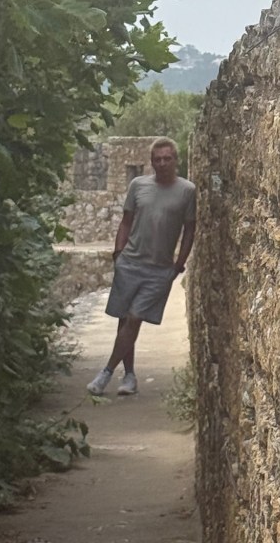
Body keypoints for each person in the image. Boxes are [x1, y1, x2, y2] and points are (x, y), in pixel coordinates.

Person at [86, 136, 196, 397]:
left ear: (176, 160)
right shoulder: (138, 185)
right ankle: (129, 376)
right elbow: (126, 221)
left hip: (159, 269)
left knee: (135, 317)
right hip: (130, 263)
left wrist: (179, 264)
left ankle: (106, 373)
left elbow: (190, 229)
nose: (162, 163)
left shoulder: (187, 191)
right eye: (158, 159)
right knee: (124, 319)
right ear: (151, 162)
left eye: (167, 158)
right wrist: (118, 253)